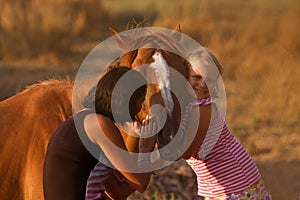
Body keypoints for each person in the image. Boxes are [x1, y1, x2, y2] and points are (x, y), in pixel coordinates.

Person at [141, 49, 272, 199]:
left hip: (238, 184)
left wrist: (146, 149)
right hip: (217, 186)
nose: (203, 84)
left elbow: (185, 152)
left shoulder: (204, 109)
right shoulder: (188, 106)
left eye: (209, 80)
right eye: (196, 77)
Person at [43, 66, 156, 200]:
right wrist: (146, 149)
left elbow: (118, 193)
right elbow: (139, 183)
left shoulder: (85, 120)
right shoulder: (99, 124)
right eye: (140, 101)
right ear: (127, 100)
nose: (139, 110)